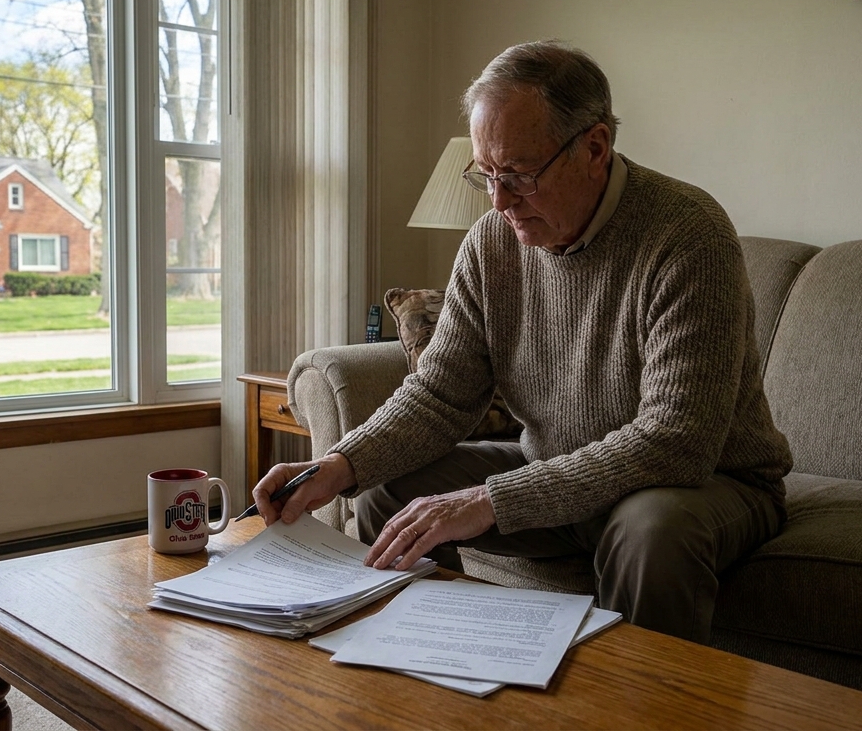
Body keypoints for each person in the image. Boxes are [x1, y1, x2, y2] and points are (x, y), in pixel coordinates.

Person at [253, 40, 793, 644]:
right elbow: (439, 395)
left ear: (594, 147)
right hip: (557, 468)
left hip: (707, 483)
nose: (499, 202)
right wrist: (340, 463)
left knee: (649, 529)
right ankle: (427, 667)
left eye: (518, 176)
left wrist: (491, 500)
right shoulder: (491, 244)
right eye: (486, 176)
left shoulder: (689, 235)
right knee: (387, 488)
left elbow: (676, 442)